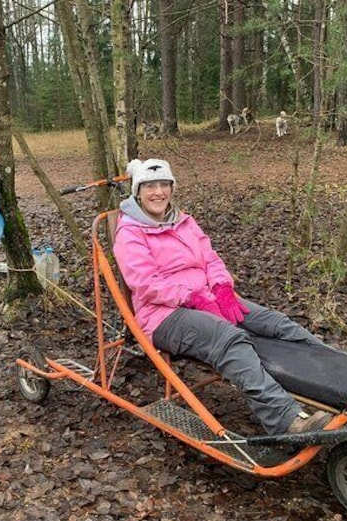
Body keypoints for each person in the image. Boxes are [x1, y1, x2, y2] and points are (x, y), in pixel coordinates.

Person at [113, 158, 332, 436]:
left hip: (209, 298)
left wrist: (222, 287)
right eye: (150, 186)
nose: (158, 192)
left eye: (164, 185)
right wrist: (192, 299)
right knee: (228, 338)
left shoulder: (183, 222)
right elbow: (145, 284)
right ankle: (285, 420)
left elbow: (211, 258)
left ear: (172, 188)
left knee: (276, 324)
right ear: (138, 192)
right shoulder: (130, 232)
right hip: (164, 316)